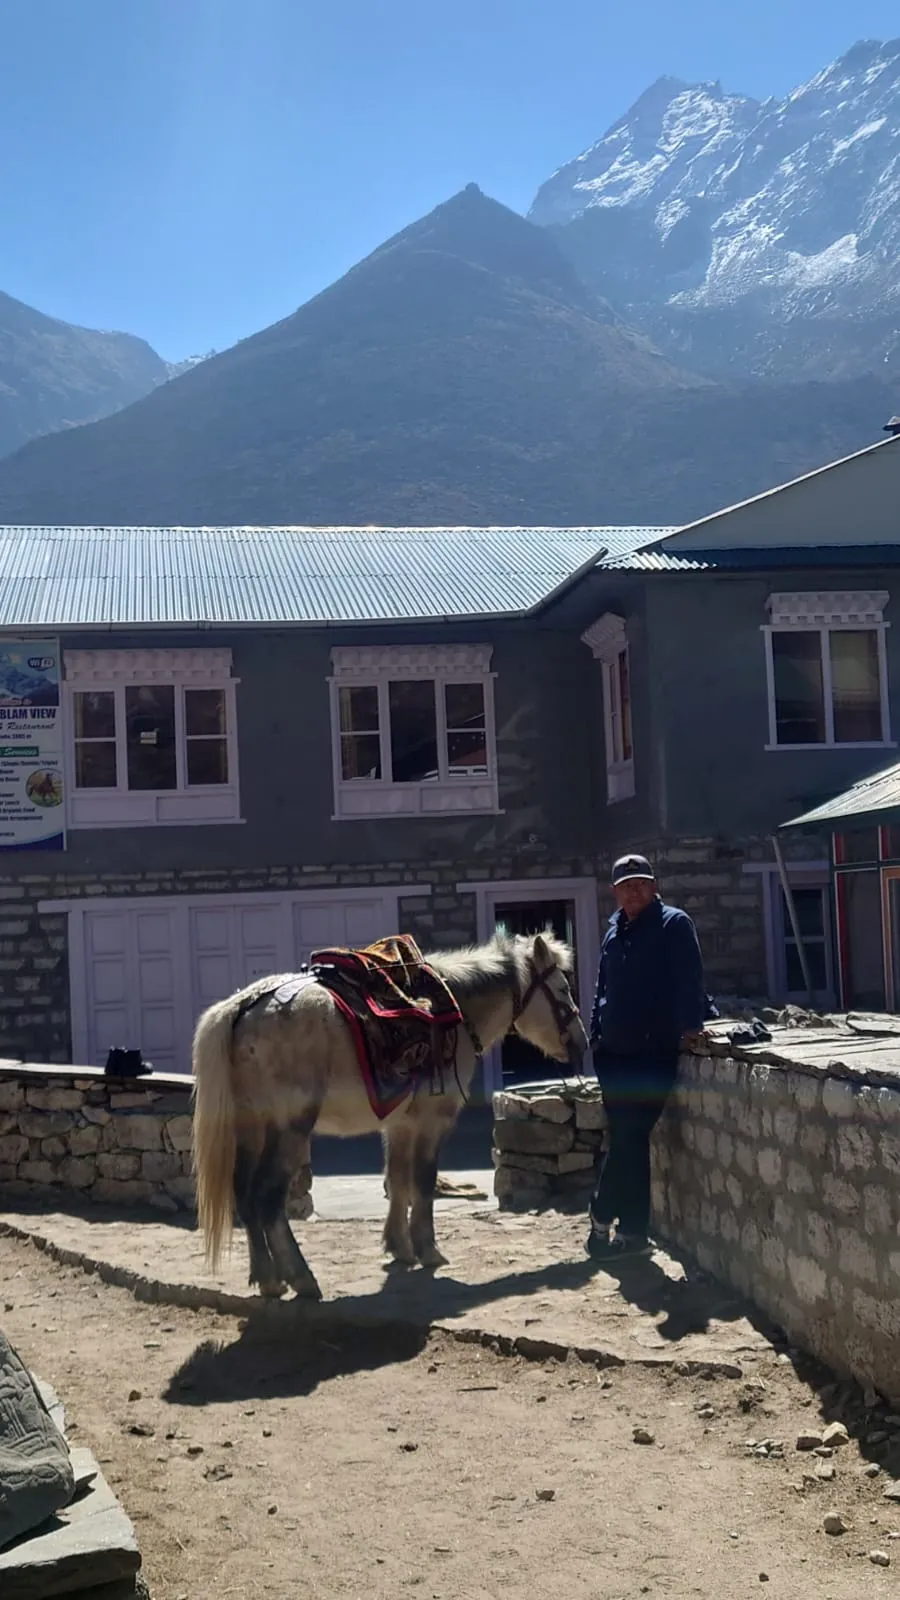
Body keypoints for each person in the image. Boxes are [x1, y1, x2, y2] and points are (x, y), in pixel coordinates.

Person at [586, 853, 710, 1263]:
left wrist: (692, 1023)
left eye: (641, 883)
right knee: (631, 1141)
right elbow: (603, 984)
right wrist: (595, 1031)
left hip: (652, 1052)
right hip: (613, 1055)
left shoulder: (674, 924)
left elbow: (690, 977)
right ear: (615, 892)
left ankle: (601, 1215)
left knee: (630, 1136)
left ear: (654, 887)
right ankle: (635, 1232)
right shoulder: (613, 932)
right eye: (627, 885)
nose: (634, 890)